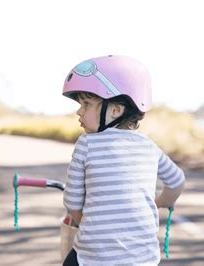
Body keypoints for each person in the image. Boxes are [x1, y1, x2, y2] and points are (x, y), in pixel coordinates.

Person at [62, 55, 185, 265]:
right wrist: (161, 202)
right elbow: (176, 181)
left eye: (87, 103)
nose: (79, 111)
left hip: (93, 258)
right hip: (144, 259)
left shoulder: (86, 144)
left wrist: (88, 224)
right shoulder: (148, 145)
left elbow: (72, 202)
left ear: (116, 110)